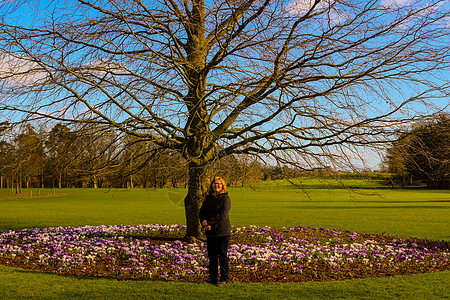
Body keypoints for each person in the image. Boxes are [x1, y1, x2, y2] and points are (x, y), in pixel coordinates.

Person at [199, 176, 231, 287]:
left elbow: (223, 214)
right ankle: (212, 278)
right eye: (214, 183)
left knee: (222, 256)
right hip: (210, 232)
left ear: (222, 186)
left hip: (222, 231)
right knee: (212, 256)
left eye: (219, 184)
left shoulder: (225, 198)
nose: (216, 186)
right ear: (211, 185)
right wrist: (204, 222)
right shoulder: (208, 198)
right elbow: (201, 212)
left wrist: (208, 222)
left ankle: (224, 279)